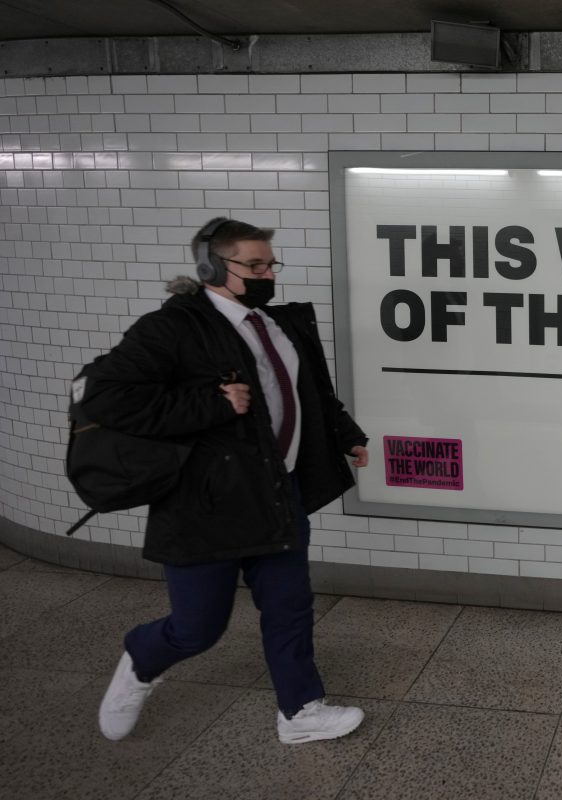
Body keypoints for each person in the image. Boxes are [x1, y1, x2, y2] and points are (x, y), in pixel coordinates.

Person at [86, 217, 370, 744]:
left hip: (276, 493)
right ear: (212, 266)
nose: (267, 275)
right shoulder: (175, 327)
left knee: (289, 607)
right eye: (253, 265)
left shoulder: (279, 324)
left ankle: (300, 712)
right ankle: (142, 659)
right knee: (198, 627)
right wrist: (207, 403)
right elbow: (104, 396)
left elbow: (310, 394)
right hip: (206, 503)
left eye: (270, 264)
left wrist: (346, 435)